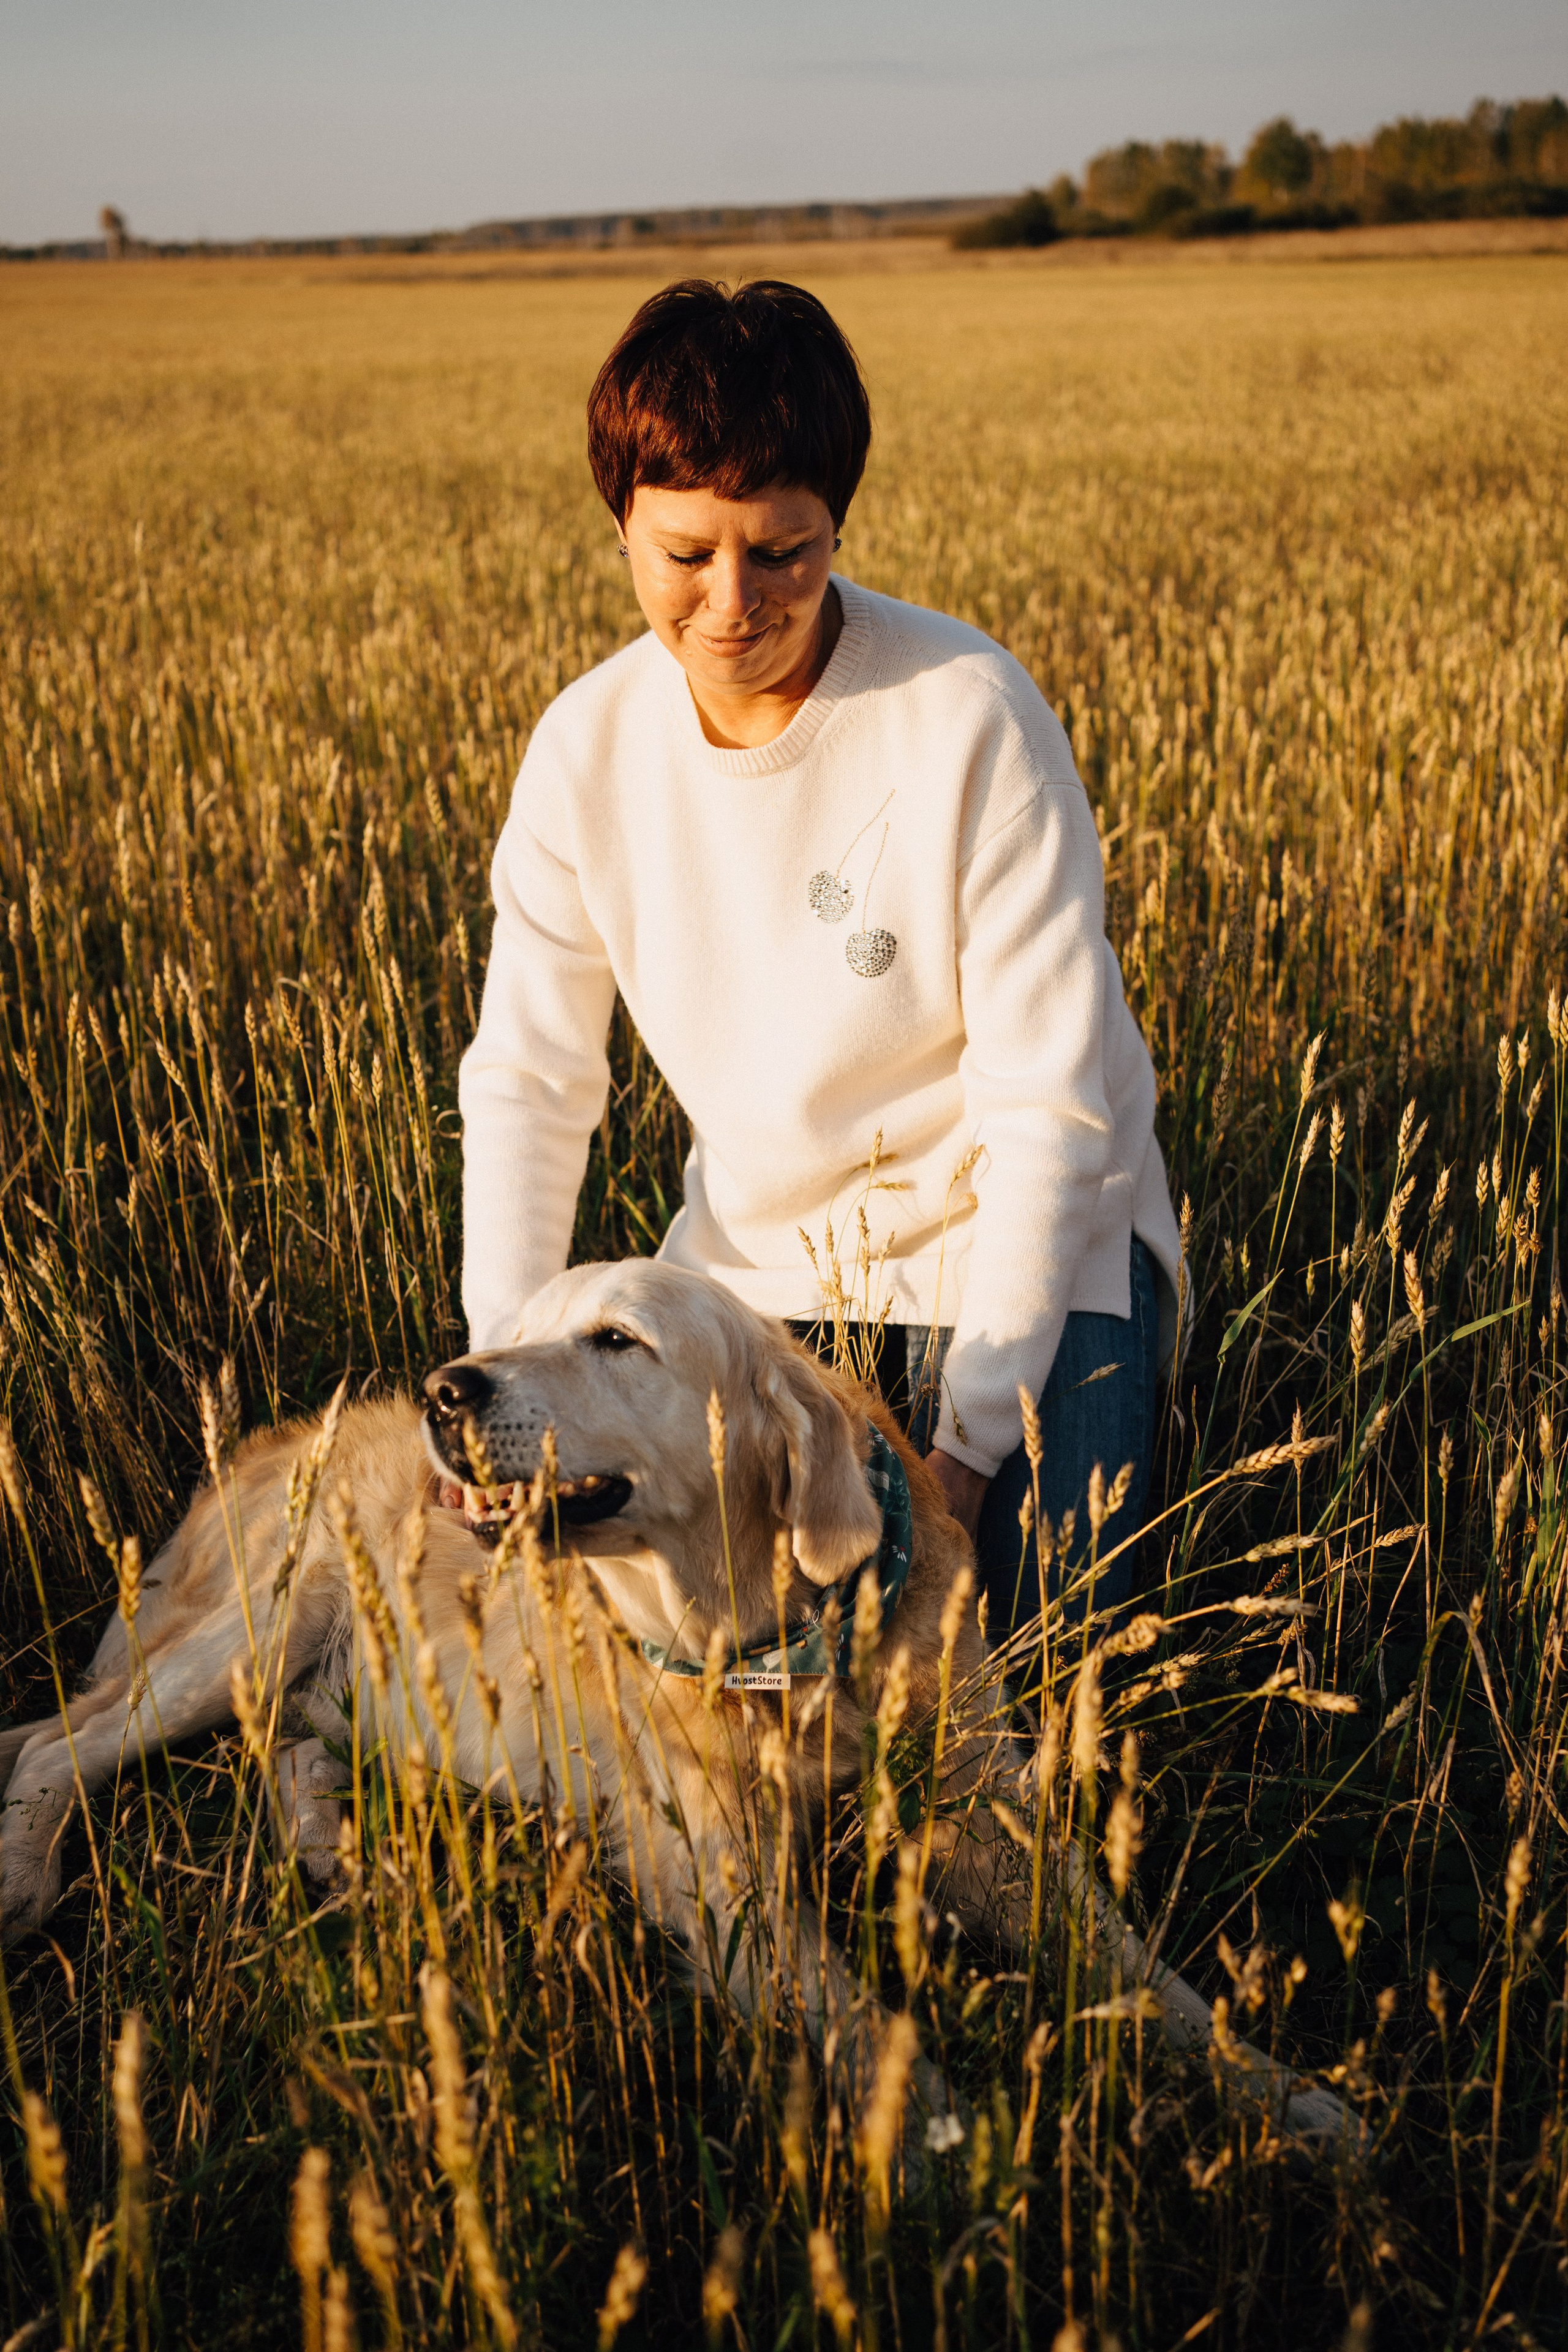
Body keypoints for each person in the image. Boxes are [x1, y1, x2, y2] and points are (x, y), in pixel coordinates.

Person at [458, 277, 1182, 1637]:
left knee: (1032, 1679)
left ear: (836, 523)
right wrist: (518, 1373)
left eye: (782, 553)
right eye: (684, 554)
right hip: (758, 1278)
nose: (732, 604)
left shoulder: (966, 715)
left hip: (1024, 1249)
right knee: (718, 1688)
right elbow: (531, 1082)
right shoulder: (584, 749)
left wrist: (967, 1450)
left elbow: (1054, 1111)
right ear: (619, 521)